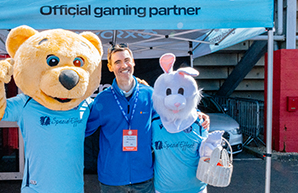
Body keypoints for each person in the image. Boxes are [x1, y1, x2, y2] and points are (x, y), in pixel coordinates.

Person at [85, 44, 210, 193]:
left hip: (143, 178)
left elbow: (172, 110)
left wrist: (196, 113)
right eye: (117, 62)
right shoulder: (102, 100)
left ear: (133, 62)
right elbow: (82, 128)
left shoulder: (150, 94)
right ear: (110, 67)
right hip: (112, 180)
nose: (123, 65)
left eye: (127, 60)